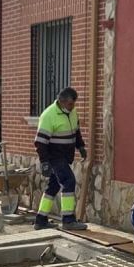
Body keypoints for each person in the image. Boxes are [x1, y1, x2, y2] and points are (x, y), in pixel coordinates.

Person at [34, 86, 87, 230]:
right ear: (61, 101)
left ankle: (40, 220)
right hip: (54, 156)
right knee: (69, 181)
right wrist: (44, 162)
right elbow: (40, 142)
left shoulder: (72, 112)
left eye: (74, 103)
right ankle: (68, 220)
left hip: (65, 156)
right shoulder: (48, 115)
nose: (72, 107)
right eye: (70, 104)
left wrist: (80, 146)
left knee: (54, 185)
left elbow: (76, 131)